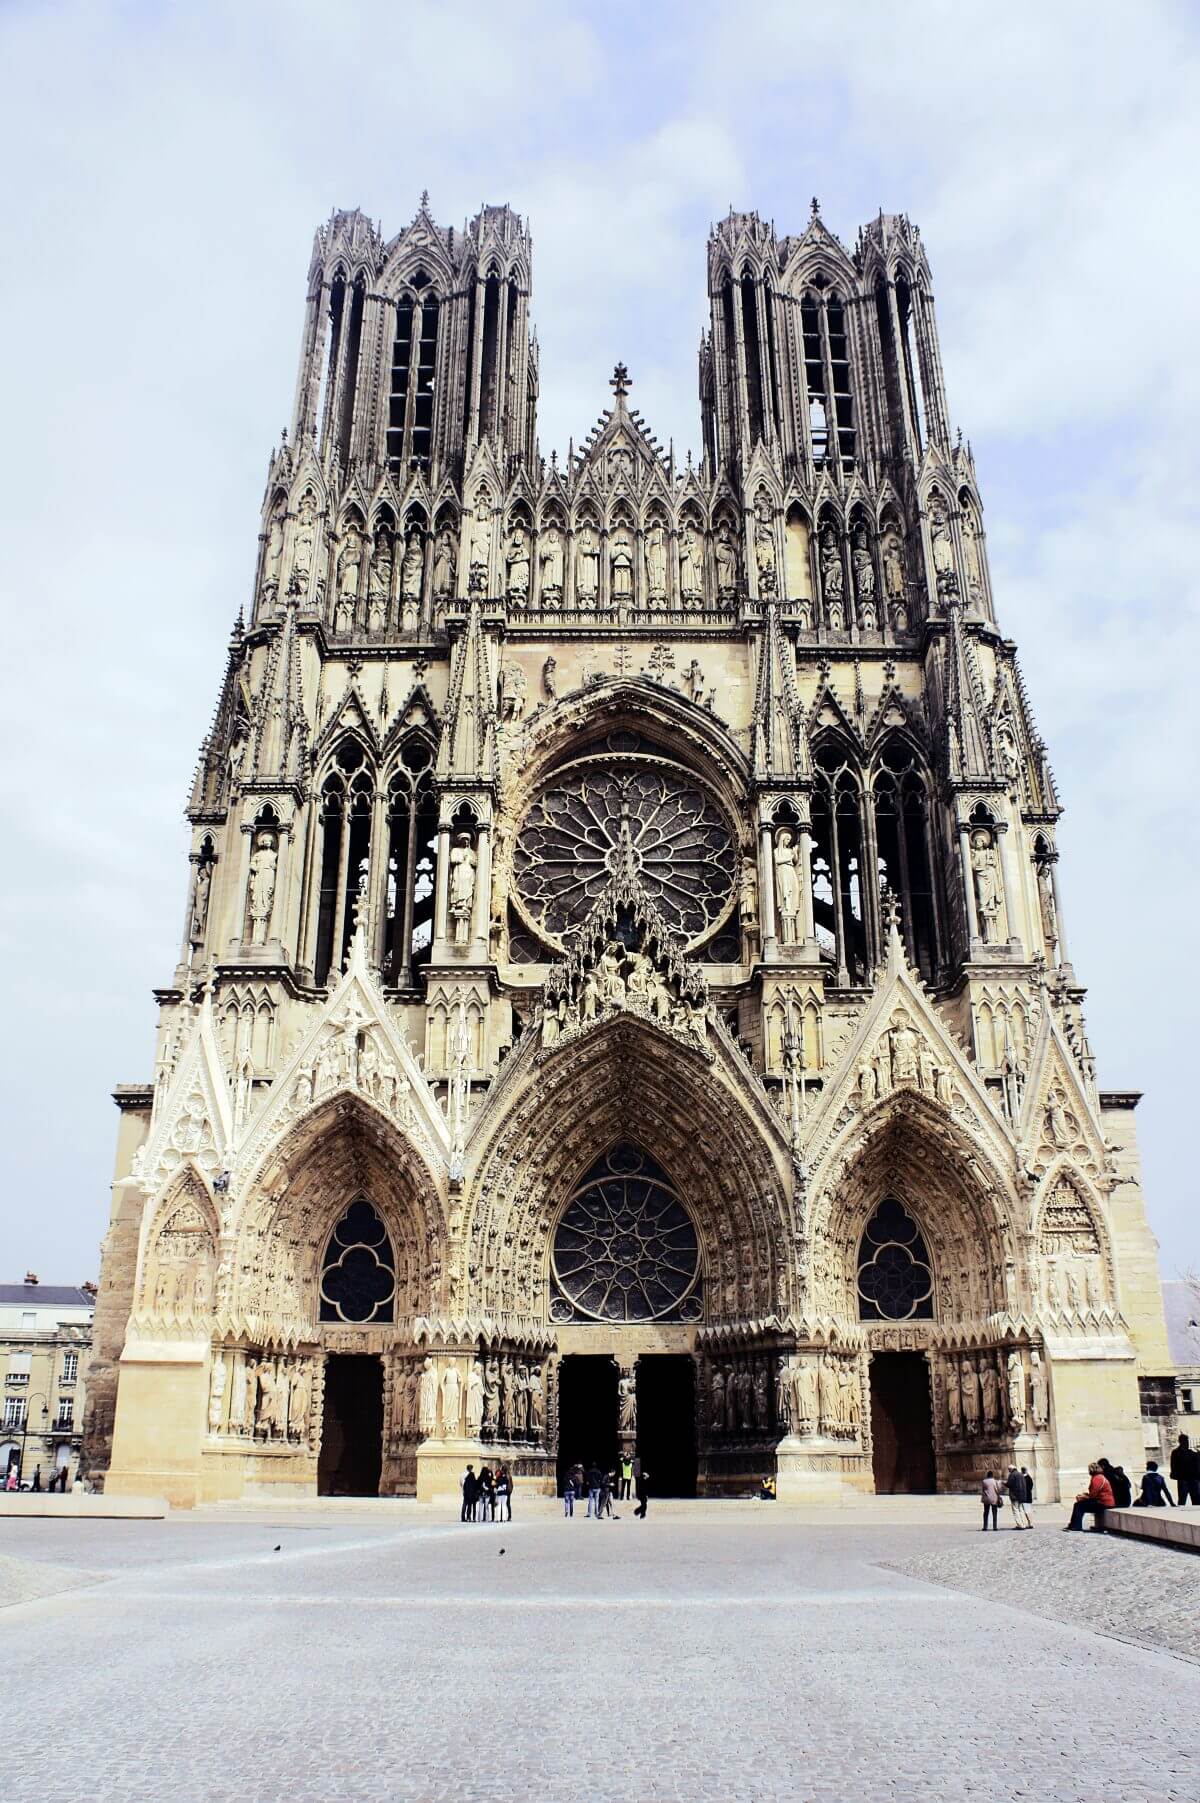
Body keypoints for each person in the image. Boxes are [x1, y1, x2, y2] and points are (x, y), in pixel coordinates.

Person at [1065, 1461, 1114, 1531]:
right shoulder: (1100, 1477)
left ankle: (1076, 1526)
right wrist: (1085, 1496)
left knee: (1078, 1506)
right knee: (1079, 1505)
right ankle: (1073, 1525)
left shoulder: (1097, 1478)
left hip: (1103, 1503)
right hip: (1104, 1502)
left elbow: (1093, 1495)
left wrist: (1083, 1497)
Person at [1169, 1433, 1200, 1505]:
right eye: (1186, 1440)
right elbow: (1173, 1465)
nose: (1187, 1442)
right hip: (1188, 1478)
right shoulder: (1179, 1452)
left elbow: (1173, 1465)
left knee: (1187, 1499)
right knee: (1188, 1499)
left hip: (1188, 1478)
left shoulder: (1178, 1452)